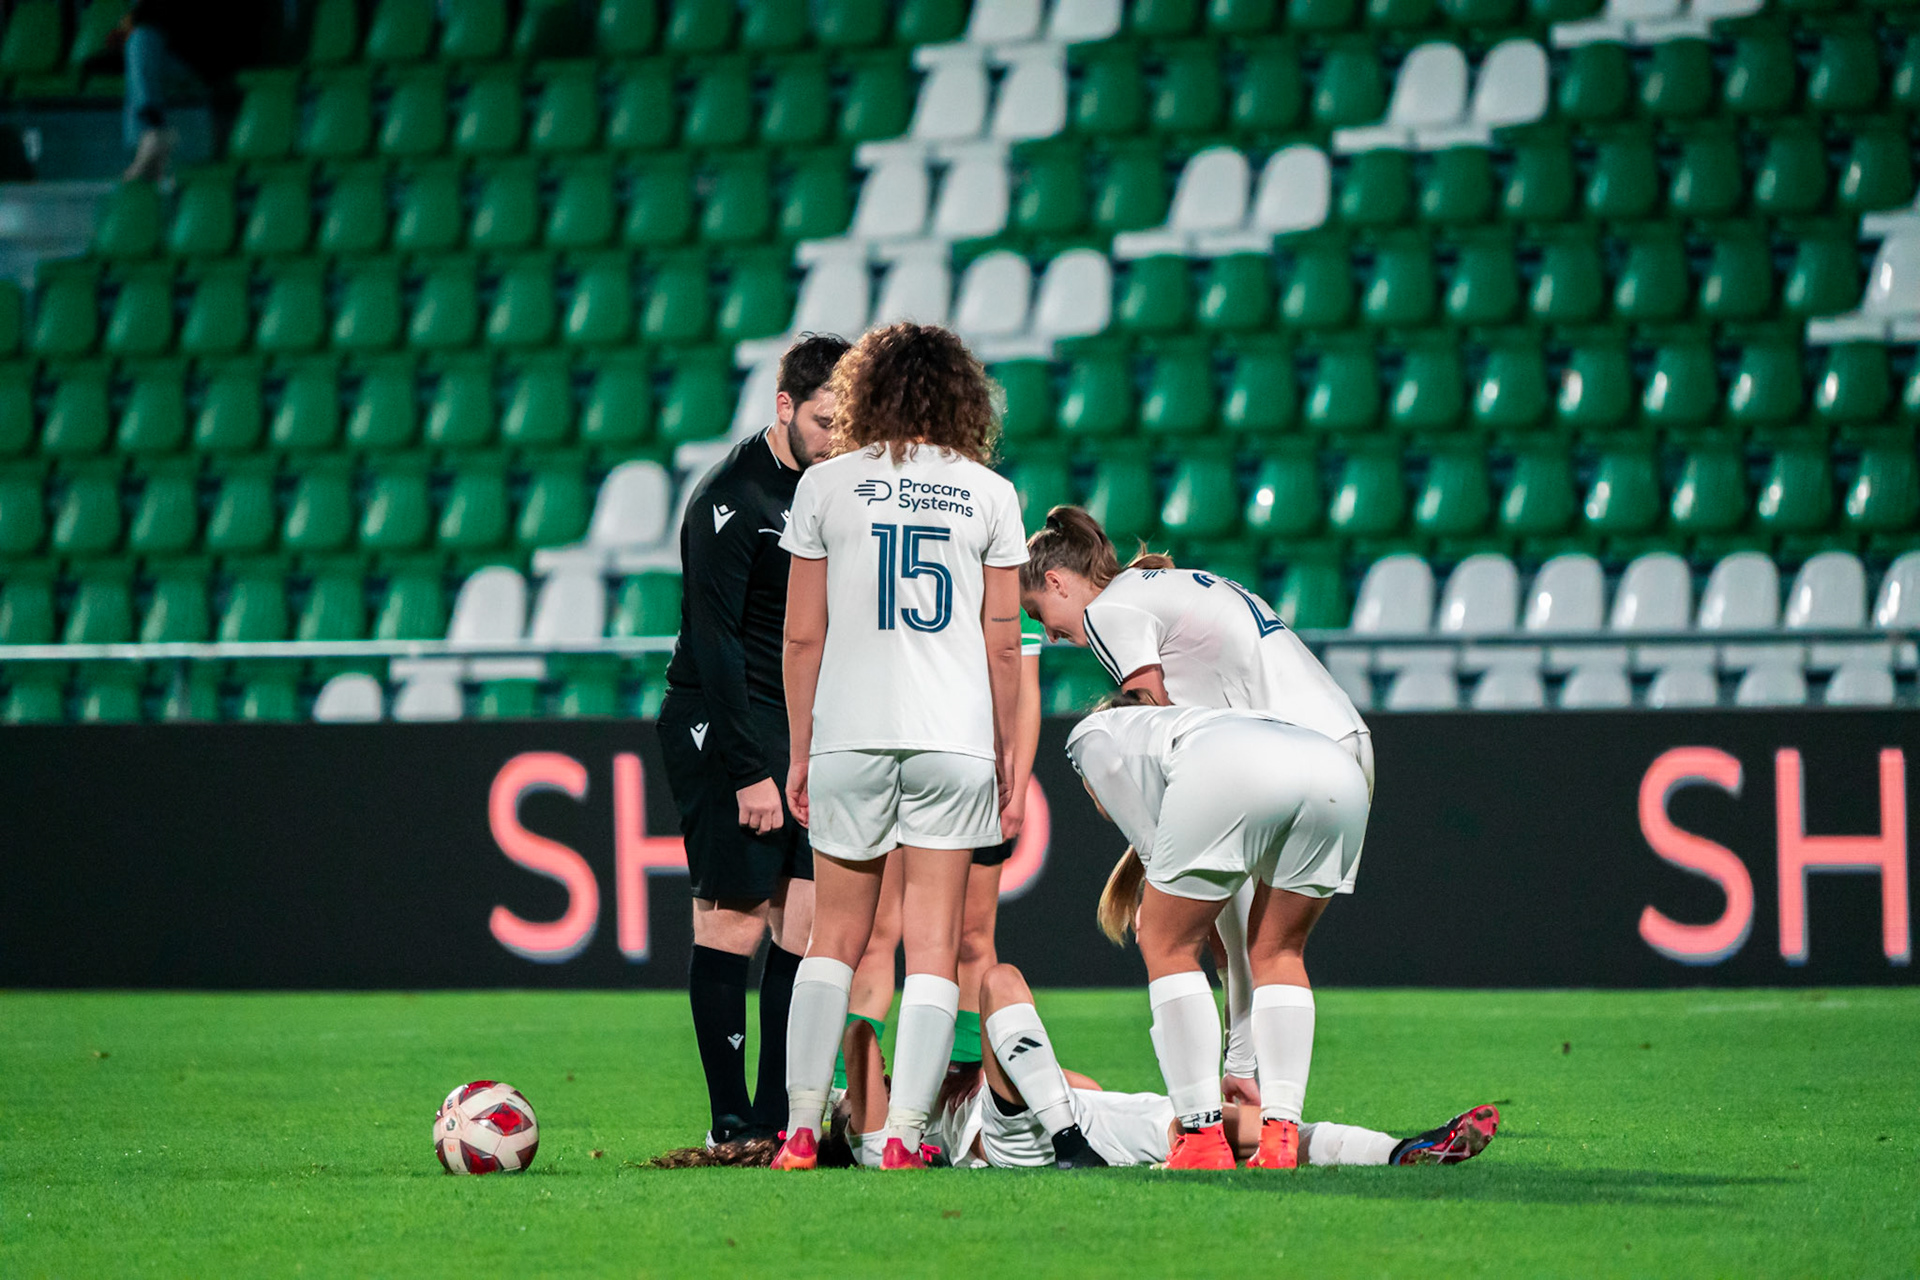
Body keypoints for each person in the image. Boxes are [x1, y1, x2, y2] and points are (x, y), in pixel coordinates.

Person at [772, 323, 1028, 1171]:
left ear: (864, 392)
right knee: (934, 945)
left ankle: (800, 1129)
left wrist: (801, 750)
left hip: (850, 733)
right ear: (963, 399)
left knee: (833, 940)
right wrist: (1002, 749)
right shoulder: (990, 494)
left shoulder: (826, 485)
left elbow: (801, 637)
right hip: (951, 736)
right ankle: (906, 1137)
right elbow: (1003, 643)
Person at [652, 960, 1500, 1172]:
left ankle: (1404, 1150)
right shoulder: (876, 1139)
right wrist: (872, 972)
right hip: (1013, 1142)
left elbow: (1081, 1085)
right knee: (997, 979)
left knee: (1247, 1133)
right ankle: (1068, 1145)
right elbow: (860, 1042)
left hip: (1083, 1120)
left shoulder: (932, 1097)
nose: (855, 1095)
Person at [658, 333, 849, 1146]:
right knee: (732, 924)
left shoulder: (837, 490)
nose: (836, 439)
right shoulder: (731, 498)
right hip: (724, 724)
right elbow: (715, 645)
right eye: (824, 422)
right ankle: (729, 1122)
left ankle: (777, 1121)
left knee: (802, 924)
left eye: (849, 425)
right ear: (784, 407)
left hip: (803, 729)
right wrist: (747, 770)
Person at [1067, 697, 1371, 1169]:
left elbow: (1100, 762)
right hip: (1338, 771)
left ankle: (1202, 1141)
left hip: (1242, 767)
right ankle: (1279, 1140)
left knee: (1165, 943)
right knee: (1278, 951)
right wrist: (1240, 1066)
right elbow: (1236, 948)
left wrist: (1154, 872)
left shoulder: (1093, 732)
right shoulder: (1188, 757)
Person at [117, 0, 275, 182]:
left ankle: (153, 133)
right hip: (183, 50)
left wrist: (139, 17)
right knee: (140, 42)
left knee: (141, 43)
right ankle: (152, 133)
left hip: (217, 51)